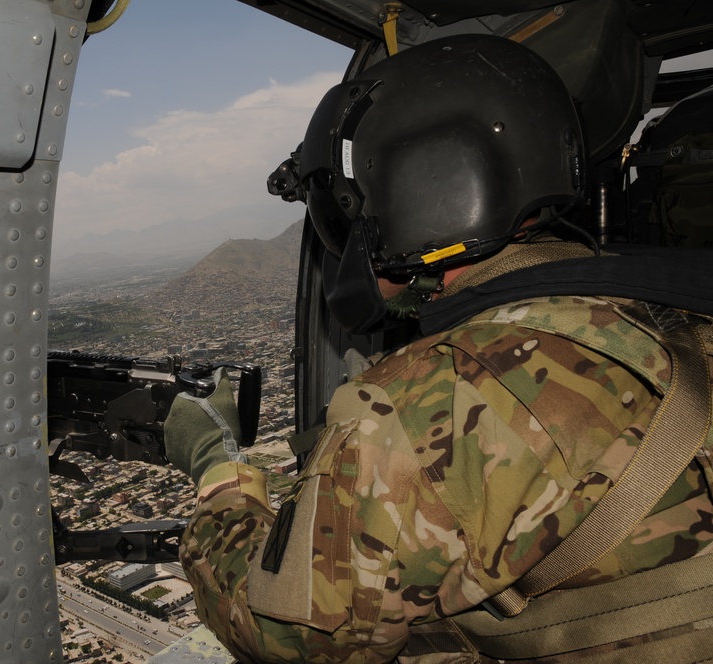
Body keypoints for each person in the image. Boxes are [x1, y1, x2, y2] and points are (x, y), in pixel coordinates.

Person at [164, 34, 713, 663]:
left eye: (349, 210)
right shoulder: (664, 304)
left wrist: (218, 474)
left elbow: (288, 635)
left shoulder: (432, 400)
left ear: (423, 191)